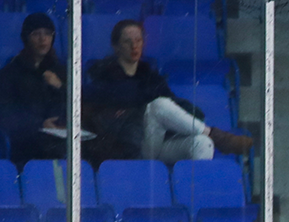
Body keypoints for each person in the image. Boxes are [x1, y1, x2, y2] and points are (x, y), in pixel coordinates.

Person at [83, 19, 253, 163]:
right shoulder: (105, 76)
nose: (134, 46)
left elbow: (171, 102)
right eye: (127, 41)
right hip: (129, 146)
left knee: (202, 143)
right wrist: (144, 101)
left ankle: (196, 200)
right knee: (159, 104)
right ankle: (219, 137)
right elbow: (123, 95)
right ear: (116, 46)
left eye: (138, 40)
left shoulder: (151, 77)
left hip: (157, 142)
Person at [0, 13, 67, 165]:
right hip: (28, 140)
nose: (43, 39)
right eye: (36, 34)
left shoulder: (61, 71)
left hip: (60, 138)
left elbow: (76, 103)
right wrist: (40, 125)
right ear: (26, 38)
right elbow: (6, 113)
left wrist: (60, 87)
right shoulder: (10, 73)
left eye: (47, 34)